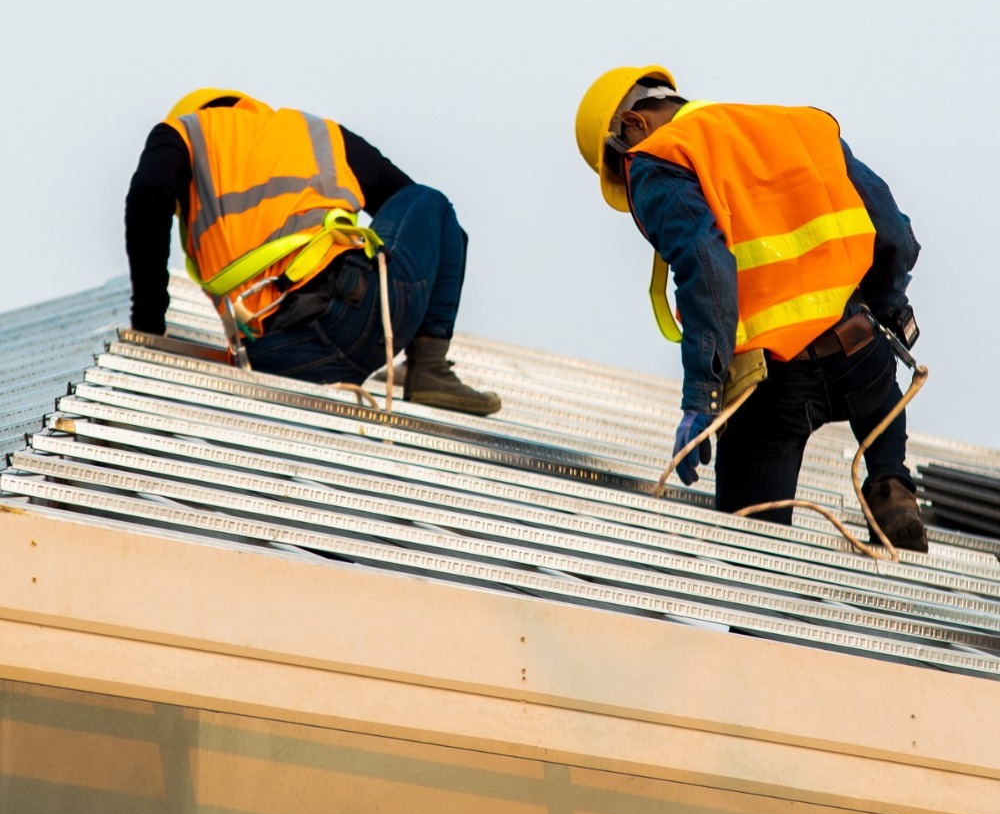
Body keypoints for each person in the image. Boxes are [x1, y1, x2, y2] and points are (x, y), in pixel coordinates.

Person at [574, 65, 927, 551]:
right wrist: (890, 308)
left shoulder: (656, 160)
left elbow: (707, 269)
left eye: (618, 168)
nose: (628, 180)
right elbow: (892, 230)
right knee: (877, 374)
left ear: (632, 126)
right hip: (861, 353)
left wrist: (701, 398)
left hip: (775, 385)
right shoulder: (795, 126)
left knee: (750, 554)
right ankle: (891, 482)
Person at [125, 88, 501, 416]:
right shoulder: (318, 136)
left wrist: (148, 326)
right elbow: (436, 229)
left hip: (271, 355)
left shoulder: (182, 132)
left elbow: (150, 190)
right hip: (360, 320)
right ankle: (428, 367)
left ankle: (417, 366)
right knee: (431, 203)